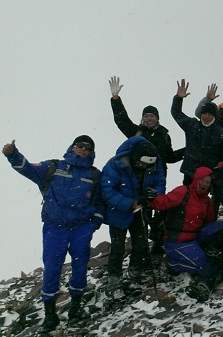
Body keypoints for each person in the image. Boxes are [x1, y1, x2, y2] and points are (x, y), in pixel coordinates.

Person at [3, 135, 104, 333]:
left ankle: (75, 308)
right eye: (80, 146)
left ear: (92, 152)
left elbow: (100, 202)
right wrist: (12, 154)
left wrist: (95, 223)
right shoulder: (53, 167)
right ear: (73, 147)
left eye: (87, 148)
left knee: (80, 266)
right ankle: (51, 316)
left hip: (81, 228)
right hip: (54, 228)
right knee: (51, 268)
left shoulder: (94, 175)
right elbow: (28, 169)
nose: (83, 150)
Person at [101, 136, 166, 300]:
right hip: (119, 213)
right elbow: (107, 191)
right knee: (117, 249)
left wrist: (154, 195)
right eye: (141, 163)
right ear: (135, 157)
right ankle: (114, 283)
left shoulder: (155, 162)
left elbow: (159, 181)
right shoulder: (116, 165)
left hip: (141, 211)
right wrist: (130, 203)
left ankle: (133, 277)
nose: (143, 167)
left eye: (147, 164)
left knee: (141, 244)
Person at [145, 166, 219, 301]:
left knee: (220, 226)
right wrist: (152, 199)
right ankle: (171, 263)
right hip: (177, 240)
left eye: (208, 182)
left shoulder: (206, 200)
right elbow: (163, 203)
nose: (205, 184)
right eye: (202, 180)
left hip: (195, 237)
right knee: (204, 266)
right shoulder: (183, 191)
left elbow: (211, 221)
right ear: (196, 179)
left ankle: (204, 252)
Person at [171, 79, 223, 216]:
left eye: (210, 114)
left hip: (211, 174)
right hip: (190, 172)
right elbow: (176, 113)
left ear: (214, 116)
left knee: (220, 202)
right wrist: (178, 98)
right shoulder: (192, 125)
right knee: (186, 201)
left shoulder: (221, 132)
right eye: (205, 113)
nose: (207, 116)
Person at [108, 76, 182, 176]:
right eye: (146, 116)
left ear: (157, 118)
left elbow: (169, 157)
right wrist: (115, 98)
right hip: (137, 176)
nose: (149, 118)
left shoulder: (164, 136)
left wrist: (188, 150)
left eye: (152, 116)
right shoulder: (137, 132)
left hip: (158, 177)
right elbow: (122, 120)